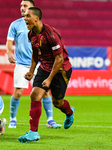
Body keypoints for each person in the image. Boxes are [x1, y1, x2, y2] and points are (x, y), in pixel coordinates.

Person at [18, 7, 75, 143]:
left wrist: (49, 79)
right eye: (24, 16)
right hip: (44, 67)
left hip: (60, 69)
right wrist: (31, 71)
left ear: (37, 18)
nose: (25, 18)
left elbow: (59, 59)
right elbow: (35, 53)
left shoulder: (51, 34)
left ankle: (69, 112)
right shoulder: (31, 34)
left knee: (57, 102)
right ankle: (33, 133)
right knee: (35, 95)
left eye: (28, 16)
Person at [6, 0, 61, 129]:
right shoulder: (15, 25)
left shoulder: (39, 25)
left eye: (25, 6)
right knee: (18, 92)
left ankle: (50, 120)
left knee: (45, 91)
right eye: (21, 6)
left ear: (32, 8)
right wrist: (9, 52)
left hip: (39, 63)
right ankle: (12, 119)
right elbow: (9, 41)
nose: (22, 8)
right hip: (22, 64)